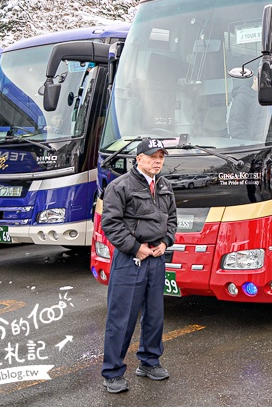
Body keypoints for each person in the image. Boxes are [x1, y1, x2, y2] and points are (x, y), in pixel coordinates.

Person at [100, 137, 178, 393]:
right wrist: (136, 247)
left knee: (155, 315)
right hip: (130, 258)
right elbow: (110, 224)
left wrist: (166, 242)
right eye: (152, 156)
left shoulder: (164, 185)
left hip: (156, 258)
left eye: (161, 157)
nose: (158, 161)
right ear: (138, 159)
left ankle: (149, 362)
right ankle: (112, 372)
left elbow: (173, 219)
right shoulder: (119, 186)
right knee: (122, 317)